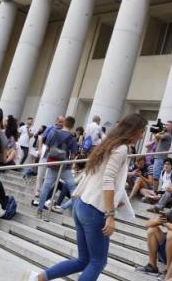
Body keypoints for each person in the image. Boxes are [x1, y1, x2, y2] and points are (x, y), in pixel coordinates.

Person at [29, 113, 148, 281]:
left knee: (83, 260)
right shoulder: (121, 148)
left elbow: (101, 175)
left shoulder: (108, 145)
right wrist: (110, 215)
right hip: (94, 209)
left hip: (82, 203)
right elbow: (108, 181)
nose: (142, 135)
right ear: (133, 130)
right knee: (98, 262)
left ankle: (41, 278)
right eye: (142, 131)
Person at [37, 116, 79, 218]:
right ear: (73, 126)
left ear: (64, 123)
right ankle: (69, 210)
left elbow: (47, 148)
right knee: (74, 189)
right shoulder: (72, 138)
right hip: (65, 167)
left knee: (46, 187)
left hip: (52, 164)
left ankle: (39, 211)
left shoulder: (54, 133)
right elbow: (73, 155)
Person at [152, 120, 172, 192]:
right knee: (159, 176)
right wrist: (159, 133)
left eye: (168, 125)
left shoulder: (167, 135)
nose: (165, 126)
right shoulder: (165, 134)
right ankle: (157, 191)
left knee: (156, 176)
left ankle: (154, 192)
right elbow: (156, 141)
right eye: (165, 125)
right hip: (158, 156)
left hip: (160, 157)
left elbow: (157, 135)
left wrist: (159, 131)